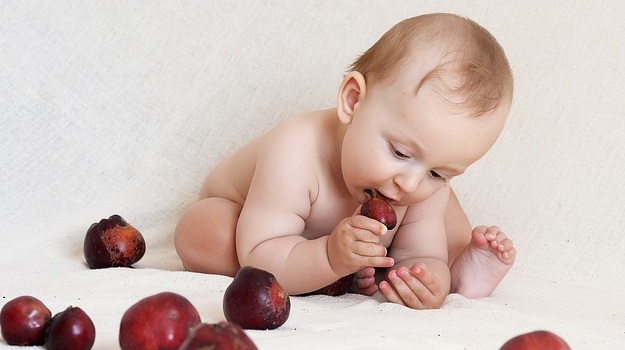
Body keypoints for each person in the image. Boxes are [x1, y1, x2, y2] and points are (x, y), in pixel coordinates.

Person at [174, 13, 516, 310]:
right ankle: (328, 271)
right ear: (353, 102)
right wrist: (328, 257)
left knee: (443, 212)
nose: (410, 183)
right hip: (252, 225)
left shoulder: (414, 180)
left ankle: (463, 272)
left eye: (439, 172)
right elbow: (258, 254)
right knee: (205, 231)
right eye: (399, 152)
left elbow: (421, 255)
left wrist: (427, 279)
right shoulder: (295, 149)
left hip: (344, 245)